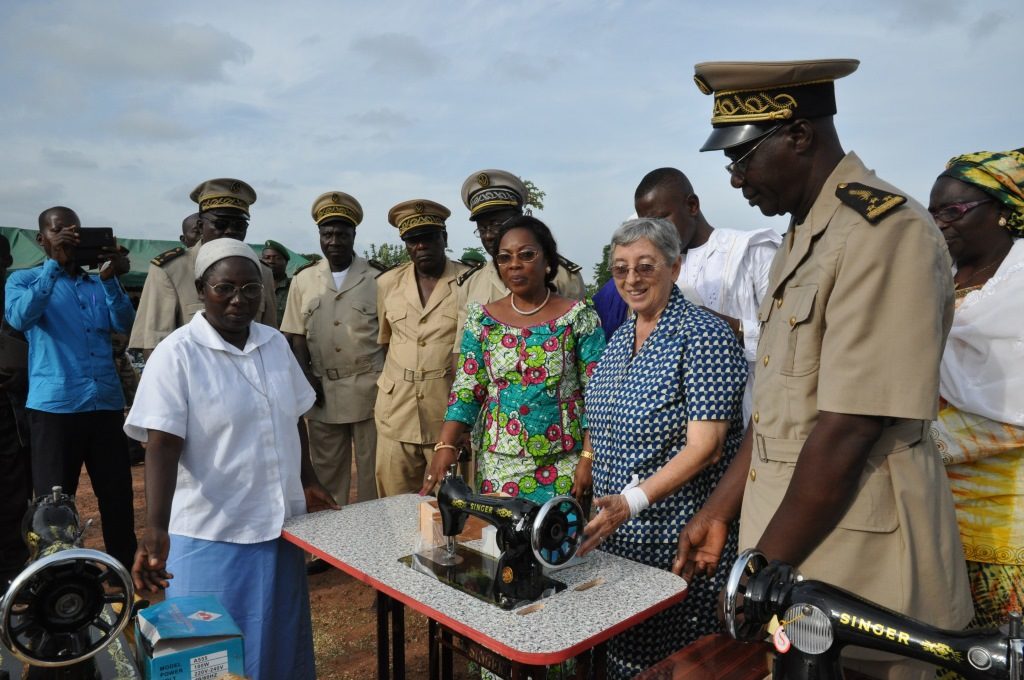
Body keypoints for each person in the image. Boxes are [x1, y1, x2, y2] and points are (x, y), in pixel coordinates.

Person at [673, 59, 972, 680]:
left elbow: (849, 427)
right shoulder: (804, 233)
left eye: (742, 157)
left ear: (799, 136)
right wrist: (722, 510)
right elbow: (782, 405)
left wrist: (757, 572)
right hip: (795, 550)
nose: (735, 179)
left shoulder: (885, 232)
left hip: (863, 562)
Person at [126, 238, 337, 680]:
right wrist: (154, 529)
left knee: (277, 640)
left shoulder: (274, 344)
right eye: (225, 288)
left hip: (278, 529)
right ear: (202, 289)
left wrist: (308, 480)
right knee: (211, 651)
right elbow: (161, 444)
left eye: (251, 289)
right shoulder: (177, 353)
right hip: (211, 532)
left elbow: (293, 417)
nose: (239, 300)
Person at [576, 218, 747, 678]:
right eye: (620, 269)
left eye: (645, 266)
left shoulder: (704, 337)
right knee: (621, 659)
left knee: (672, 664)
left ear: (674, 267)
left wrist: (630, 502)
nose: (632, 279)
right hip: (618, 540)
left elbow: (706, 447)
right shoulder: (618, 343)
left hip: (674, 540)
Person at [423, 215, 605, 504]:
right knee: (499, 542)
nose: (515, 264)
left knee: (556, 542)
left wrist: (589, 456)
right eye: (504, 257)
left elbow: (599, 394)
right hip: (499, 462)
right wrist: (445, 444)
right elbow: (467, 388)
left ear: (547, 261)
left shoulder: (579, 316)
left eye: (527, 255)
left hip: (565, 462)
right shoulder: (481, 319)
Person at [5, 206, 138, 570]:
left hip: (105, 404)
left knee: (116, 495)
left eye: (74, 231)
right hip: (54, 410)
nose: (68, 236)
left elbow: (125, 323)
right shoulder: (23, 281)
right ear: (41, 239)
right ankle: (61, 577)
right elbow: (20, 318)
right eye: (58, 230)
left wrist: (111, 279)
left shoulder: (97, 285)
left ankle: (122, 569)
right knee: (52, 503)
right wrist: (53, 267)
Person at [928, 149, 1024, 631]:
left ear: (1004, 210)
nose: (939, 223)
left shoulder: (1020, 288)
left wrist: (921, 443)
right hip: (936, 516)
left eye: (953, 211)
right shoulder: (939, 283)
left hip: (1006, 527)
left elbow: (1015, 407)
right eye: (933, 213)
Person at [634, 168, 779, 421]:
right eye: (647, 226)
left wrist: (729, 326)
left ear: (692, 205)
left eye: (661, 220)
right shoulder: (656, 273)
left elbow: (789, 340)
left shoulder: (751, 252)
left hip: (757, 413)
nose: (655, 234)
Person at [281, 191, 385, 510]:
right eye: (328, 233)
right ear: (320, 237)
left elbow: (390, 337)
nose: (335, 240)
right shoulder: (303, 280)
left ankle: (374, 544)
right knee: (326, 476)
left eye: (342, 233)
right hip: (322, 390)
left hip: (370, 389)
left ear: (354, 234)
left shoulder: (379, 279)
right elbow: (296, 337)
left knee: (373, 476)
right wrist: (306, 382)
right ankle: (329, 550)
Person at [375, 200, 469, 496]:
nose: (421, 246)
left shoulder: (467, 281)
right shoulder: (388, 283)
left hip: (447, 415)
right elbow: (386, 341)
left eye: (429, 237)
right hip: (396, 413)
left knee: (453, 509)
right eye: (413, 240)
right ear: (405, 245)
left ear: (445, 238)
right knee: (393, 505)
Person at [129, 181, 277, 357]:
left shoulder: (263, 273)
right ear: (200, 226)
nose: (230, 231)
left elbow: (269, 339)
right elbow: (154, 345)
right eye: (220, 224)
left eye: (239, 226)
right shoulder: (170, 270)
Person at [453, 169, 586, 358]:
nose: (489, 235)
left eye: (497, 224)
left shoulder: (565, 276)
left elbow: (585, 350)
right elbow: (460, 354)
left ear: (519, 219)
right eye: (482, 228)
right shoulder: (470, 283)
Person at [0, 234, 31, 585]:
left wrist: (22, 375)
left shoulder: (21, 297)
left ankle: (14, 579)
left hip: (14, 416)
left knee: (14, 500)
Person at [261, 239, 291, 327]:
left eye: (277, 258)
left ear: (286, 262)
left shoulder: (294, 287)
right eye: (267, 258)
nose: (271, 261)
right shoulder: (255, 287)